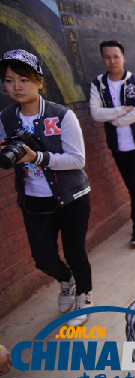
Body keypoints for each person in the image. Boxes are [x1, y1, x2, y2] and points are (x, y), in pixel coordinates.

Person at [0, 49, 93, 326]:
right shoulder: (5, 118)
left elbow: (78, 159)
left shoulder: (62, 116)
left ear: (39, 81)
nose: (16, 86)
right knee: (42, 257)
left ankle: (84, 295)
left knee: (75, 251)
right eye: (8, 80)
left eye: (24, 79)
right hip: (34, 199)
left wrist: (38, 157)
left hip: (72, 196)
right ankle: (67, 281)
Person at [90, 40, 135, 246]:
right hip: (117, 146)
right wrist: (121, 110)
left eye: (116, 56)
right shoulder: (98, 84)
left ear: (123, 57)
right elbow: (95, 112)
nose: (112, 61)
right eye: (107, 57)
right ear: (102, 59)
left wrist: (115, 120)